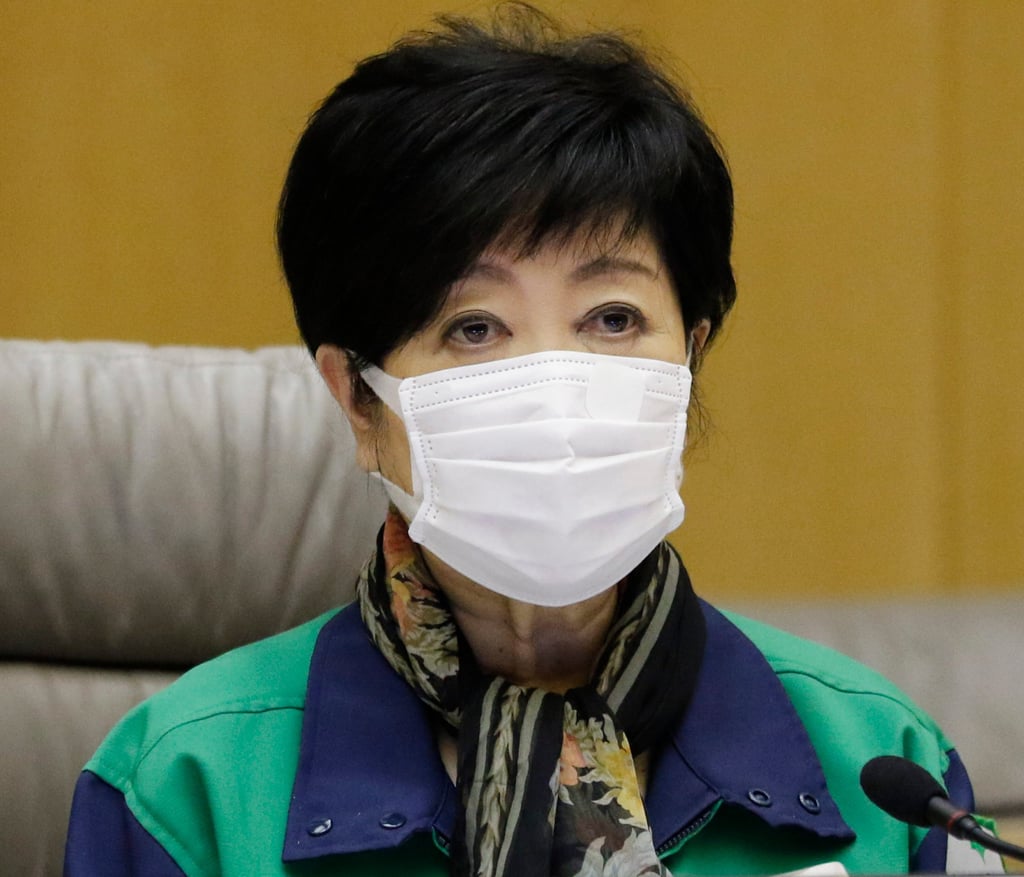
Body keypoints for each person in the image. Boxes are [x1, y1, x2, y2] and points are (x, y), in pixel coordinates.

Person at [64, 6, 1000, 876]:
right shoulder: (184, 789)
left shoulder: (884, 765)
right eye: (474, 327)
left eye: (613, 318)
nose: (556, 386)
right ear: (357, 399)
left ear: (689, 362)